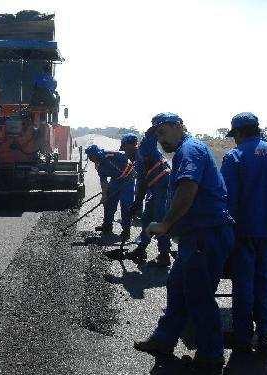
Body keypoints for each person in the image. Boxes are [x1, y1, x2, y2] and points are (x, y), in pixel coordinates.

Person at [134, 113, 234, 374]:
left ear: (178, 126)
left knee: (199, 295)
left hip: (206, 233)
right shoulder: (185, 150)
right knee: (177, 287)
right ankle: (164, 340)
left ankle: (211, 355)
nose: (160, 138)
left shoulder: (189, 150)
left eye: (163, 131)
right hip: (195, 235)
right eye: (156, 134)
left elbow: (187, 189)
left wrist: (165, 224)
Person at [220, 112, 267, 355]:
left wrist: (224, 234)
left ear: (239, 133)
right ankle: (265, 333)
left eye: (235, 136)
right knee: (264, 280)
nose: (235, 140)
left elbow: (228, 201)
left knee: (244, 283)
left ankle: (242, 335)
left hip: (243, 232)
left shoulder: (234, 157)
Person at [126, 124, 172, 266]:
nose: (125, 153)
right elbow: (141, 184)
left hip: (165, 187)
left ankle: (164, 255)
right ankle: (141, 248)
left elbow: (151, 137)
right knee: (146, 218)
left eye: (125, 148)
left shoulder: (144, 149)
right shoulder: (136, 161)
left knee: (160, 220)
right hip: (155, 189)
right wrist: (137, 203)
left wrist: (155, 126)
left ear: (131, 145)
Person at [85, 144, 135, 241]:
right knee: (109, 203)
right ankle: (107, 226)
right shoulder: (98, 165)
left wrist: (133, 172)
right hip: (115, 181)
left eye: (92, 156)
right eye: (90, 157)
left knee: (126, 206)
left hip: (128, 181)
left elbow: (130, 162)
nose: (91, 159)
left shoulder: (113, 155)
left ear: (97, 154)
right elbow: (103, 181)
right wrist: (104, 195)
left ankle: (126, 231)